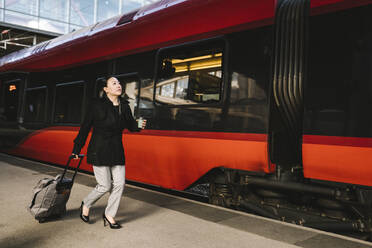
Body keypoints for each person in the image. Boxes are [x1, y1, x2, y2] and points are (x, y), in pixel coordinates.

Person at [71, 76, 146, 229]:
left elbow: (130, 125)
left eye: (119, 83)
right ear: (106, 89)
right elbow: (85, 128)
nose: (118, 85)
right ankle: (86, 203)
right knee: (104, 186)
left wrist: (139, 125)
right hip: (99, 150)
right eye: (114, 83)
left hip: (116, 150)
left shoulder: (124, 105)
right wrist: (77, 149)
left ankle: (109, 215)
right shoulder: (96, 105)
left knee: (119, 184)